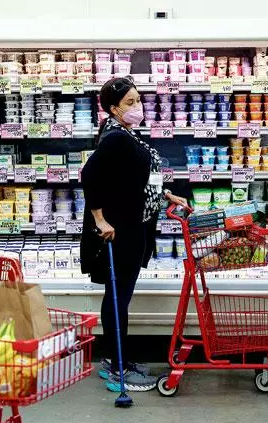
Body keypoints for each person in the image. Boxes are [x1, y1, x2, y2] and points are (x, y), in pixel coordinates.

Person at [80, 77, 188, 392]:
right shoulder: (115, 137)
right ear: (113, 109)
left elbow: (134, 176)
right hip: (119, 231)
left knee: (120, 297)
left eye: (138, 99)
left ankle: (119, 360)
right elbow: (89, 175)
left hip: (131, 225)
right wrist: (99, 219)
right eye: (129, 102)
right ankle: (116, 367)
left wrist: (166, 194)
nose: (137, 106)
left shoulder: (126, 133)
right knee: (117, 298)